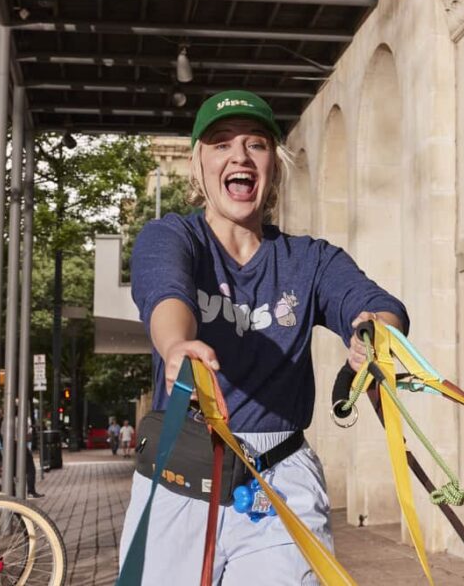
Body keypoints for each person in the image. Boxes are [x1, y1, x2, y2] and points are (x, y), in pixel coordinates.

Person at [118, 90, 408, 585]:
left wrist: (375, 334)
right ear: (198, 166)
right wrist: (176, 346)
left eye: (256, 144)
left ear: (274, 164)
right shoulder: (173, 237)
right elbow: (166, 293)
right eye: (221, 143)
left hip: (281, 480)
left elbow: (378, 305)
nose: (240, 156)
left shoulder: (311, 259)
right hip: (180, 471)